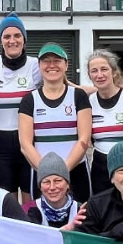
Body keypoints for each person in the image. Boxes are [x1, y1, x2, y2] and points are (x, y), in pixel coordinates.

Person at [0, 12, 41, 203]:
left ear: (24, 39)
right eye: (6, 36)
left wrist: (105, 89)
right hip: (0, 141)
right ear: (0, 41)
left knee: (31, 198)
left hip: (28, 140)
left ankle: (32, 230)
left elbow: (65, 85)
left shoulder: (35, 65)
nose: (12, 41)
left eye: (17, 36)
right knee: (6, 198)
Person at [19, 42, 92, 202]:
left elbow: (84, 140)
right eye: (46, 61)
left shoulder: (78, 96)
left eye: (57, 60)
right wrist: (47, 173)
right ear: (39, 66)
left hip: (76, 171)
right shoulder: (29, 100)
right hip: (42, 174)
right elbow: (25, 144)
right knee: (43, 222)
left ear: (66, 65)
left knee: (81, 221)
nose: (52, 65)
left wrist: (62, 172)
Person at [87, 49, 123, 194]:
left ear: (113, 72)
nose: (99, 75)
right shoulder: (88, 103)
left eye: (104, 69)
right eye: (94, 71)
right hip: (100, 168)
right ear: (89, 76)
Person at [23, 152, 81, 227]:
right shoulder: (28, 211)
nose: (52, 187)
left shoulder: (81, 211)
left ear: (67, 184)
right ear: (40, 187)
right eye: (46, 182)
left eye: (57, 181)